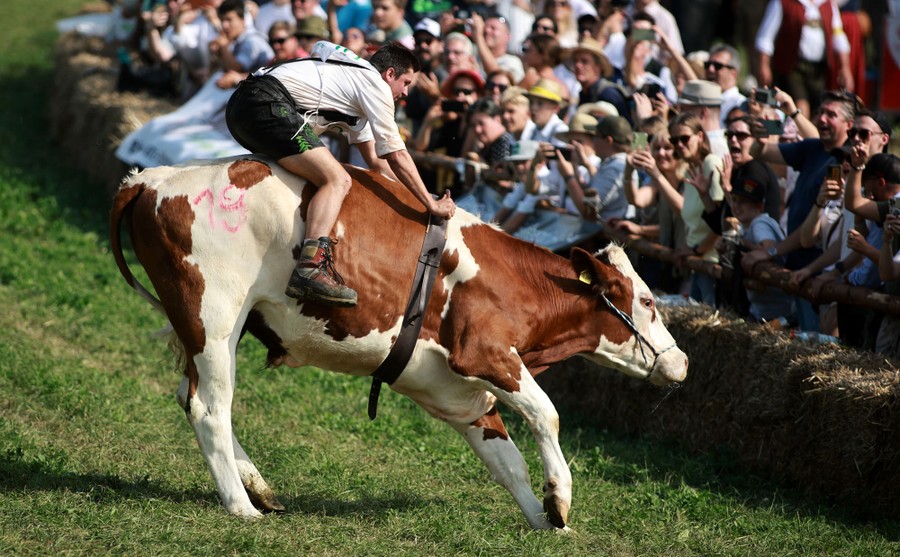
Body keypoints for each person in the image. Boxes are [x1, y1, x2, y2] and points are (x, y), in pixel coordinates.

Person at [225, 42, 455, 307]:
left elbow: (377, 162)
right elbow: (397, 155)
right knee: (338, 179)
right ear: (389, 74)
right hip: (266, 103)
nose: (405, 92)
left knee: (316, 171)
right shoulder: (375, 85)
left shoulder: (357, 82)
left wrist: (417, 198)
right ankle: (309, 267)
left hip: (242, 105)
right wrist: (430, 202)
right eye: (405, 82)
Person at [754, 0, 853, 117]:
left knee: (818, 109)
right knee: (801, 105)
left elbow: (838, 36)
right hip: (792, 66)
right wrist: (764, 65)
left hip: (819, 70)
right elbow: (766, 37)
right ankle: (800, 134)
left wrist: (845, 68)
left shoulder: (828, 5)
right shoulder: (783, 3)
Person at [726, 163, 795, 323]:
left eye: (743, 201)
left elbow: (770, 248)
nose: (736, 206)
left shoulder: (759, 224)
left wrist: (743, 245)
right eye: (735, 200)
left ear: (759, 206)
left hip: (775, 311)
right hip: (762, 309)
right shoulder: (748, 224)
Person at [670, 112, 723, 306]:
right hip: (698, 264)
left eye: (684, 138)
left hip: (713, 264)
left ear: (700, 136)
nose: (679, 144)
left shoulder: (711, 164)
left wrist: (696, 251)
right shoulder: (690, 169)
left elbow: (722, 223)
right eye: (674, 140)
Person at [209, 0, 274, 89]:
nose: (224, 25)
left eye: (229, 20)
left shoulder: (252, 40)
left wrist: (223, 46)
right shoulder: (237, 41)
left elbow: (235, 70)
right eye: (222, 20)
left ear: (243, 20)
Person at [705, 43, 747, 128]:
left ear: (734, 73)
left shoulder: (741, 105)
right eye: (707, 65)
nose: (710, 69)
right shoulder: (702, 101)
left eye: (718, 66)